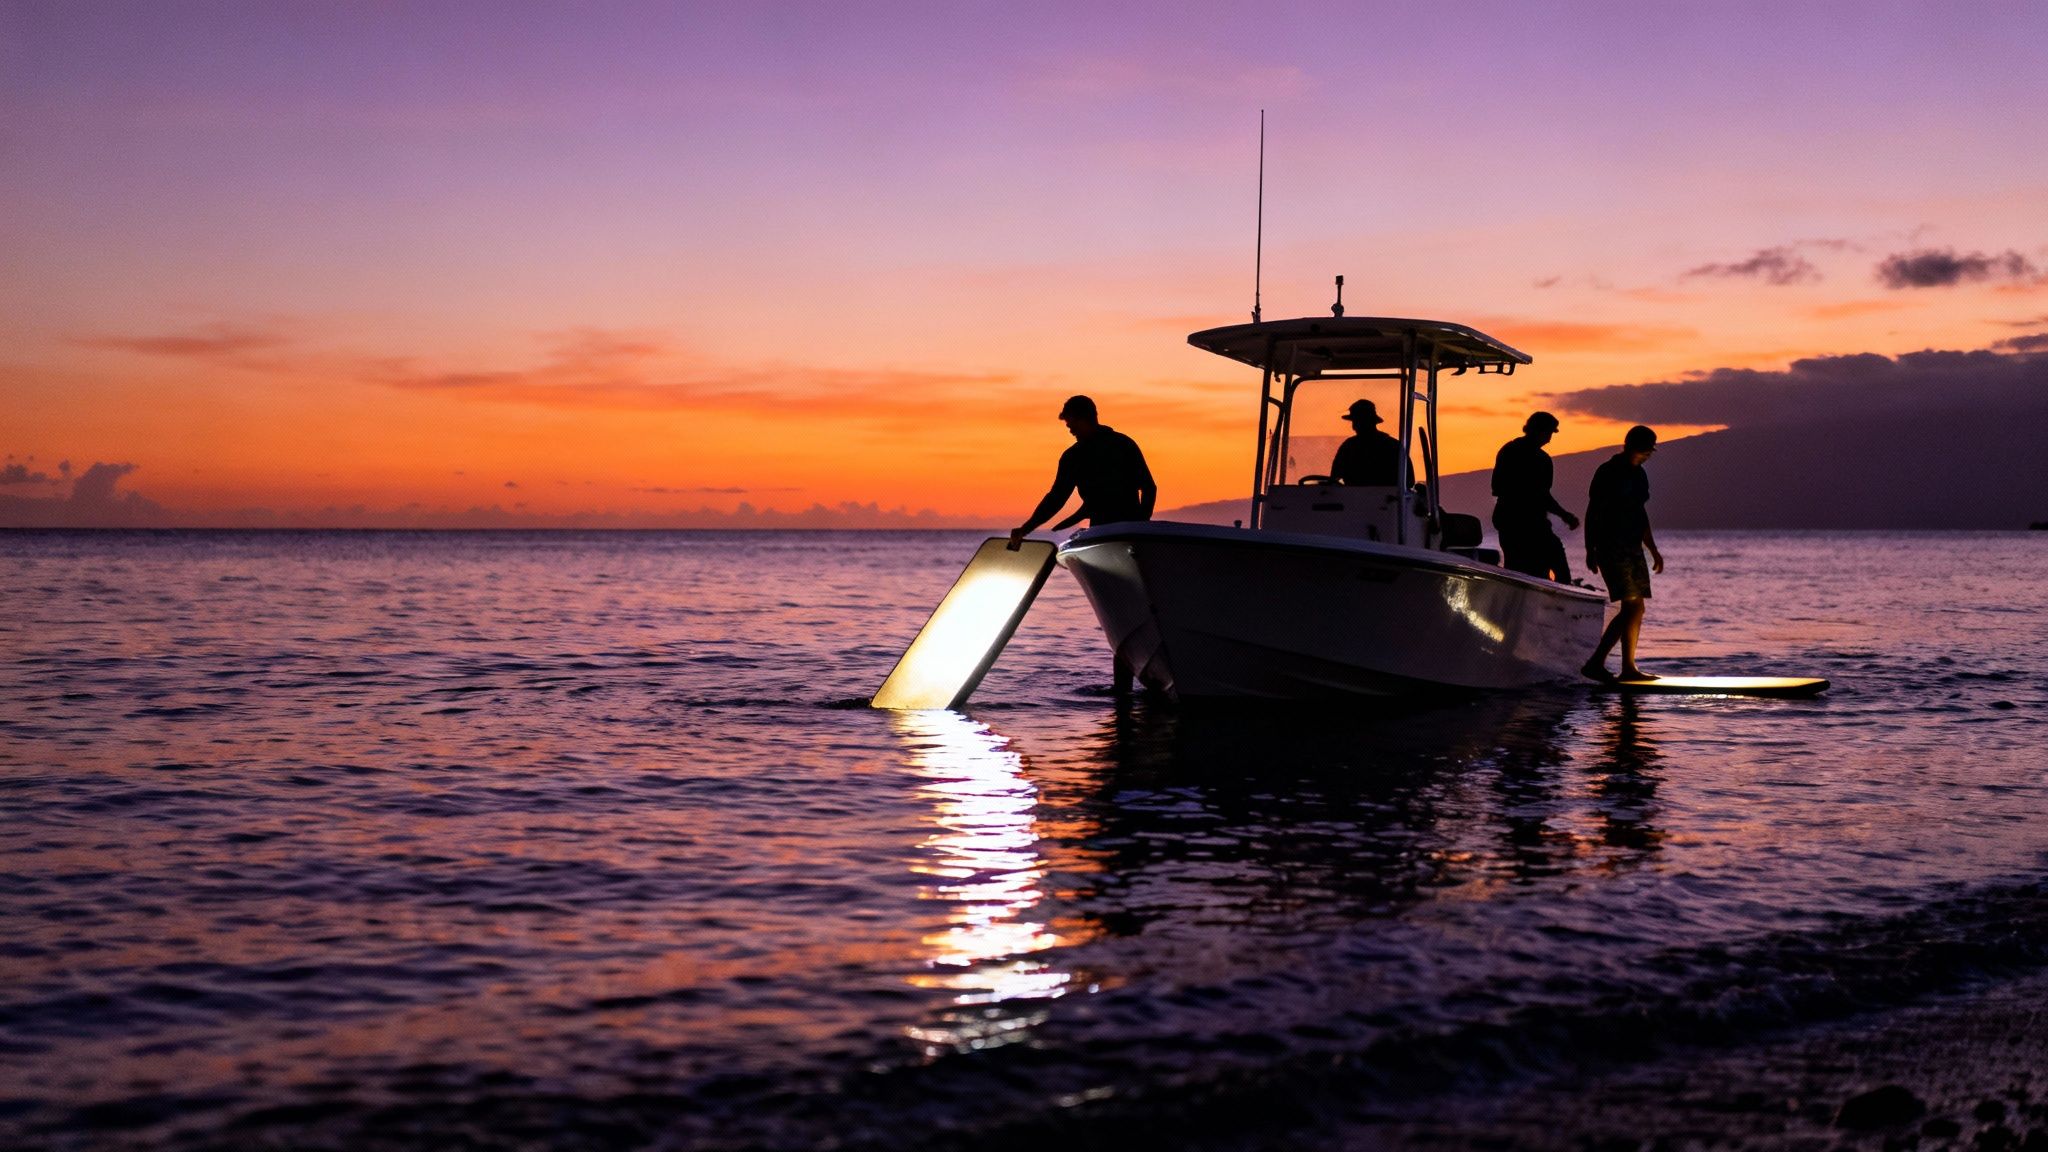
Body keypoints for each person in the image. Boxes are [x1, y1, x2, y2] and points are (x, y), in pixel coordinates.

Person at [1009, 395, 1156, 545]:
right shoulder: (1121, 444)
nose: (1071, 430)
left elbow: (1149, 487)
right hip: (1104, 532)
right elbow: (1056, 498)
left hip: (1121, 531)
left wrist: (1140, 525)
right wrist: (1026, 528)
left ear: (1085, 419)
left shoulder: (1121, 446)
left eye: (1072, 424)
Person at [1581, 425, 1664, 683]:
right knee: (1630, 606)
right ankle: (1595, 663)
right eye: (1645, 448)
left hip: (1632, 547)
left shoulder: (1640, 475)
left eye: (1650, 450)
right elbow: (1593, 510)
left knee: (1637, 608)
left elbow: (1640, 513)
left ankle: (1628, 667)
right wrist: (1590, 548)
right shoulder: (1608, 472)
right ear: (1630, 445)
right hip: (1610, 545)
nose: (1648, 454)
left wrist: (1652, 548)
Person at [1490, 411, 1580, 582]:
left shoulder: (1508, 450)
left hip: (1509, 522)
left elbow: (1497, 487)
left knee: (1519, 573)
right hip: (1530, 526)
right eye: (1549, 433)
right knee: (1556, 570)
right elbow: (1542, 496)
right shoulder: (1541, 459)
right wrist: (1565, 515)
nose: (1550, 438)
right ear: (1540, 431)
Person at [1329, 399, 1410, 487]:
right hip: (1387, 499)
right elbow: (1409, 481)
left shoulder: (1349, 446)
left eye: (1358, 421)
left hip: (1355, 499)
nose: (1355, 426)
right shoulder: (1394, 446)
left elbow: (1334, 477)